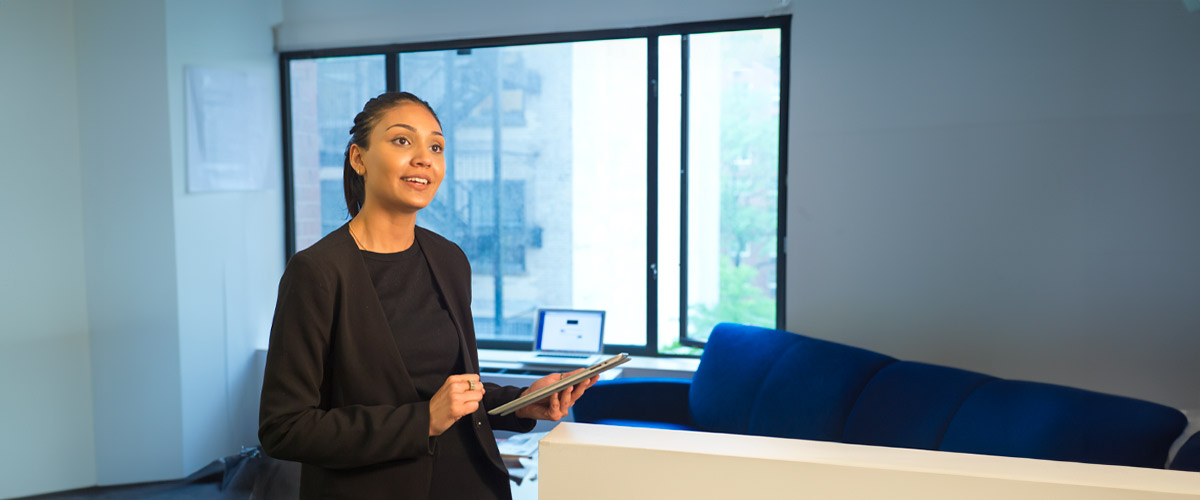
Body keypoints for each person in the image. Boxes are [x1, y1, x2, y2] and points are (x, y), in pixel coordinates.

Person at [259, 91, 597, 499]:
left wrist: (520, 403)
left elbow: (453, 393)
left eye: (435, 146)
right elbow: (284, 429)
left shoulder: (449, 260)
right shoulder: (317, 272)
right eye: (402, 141)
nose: (424, 158)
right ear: (358, 159)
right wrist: (421, 422)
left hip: (473, 486)